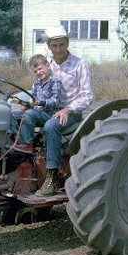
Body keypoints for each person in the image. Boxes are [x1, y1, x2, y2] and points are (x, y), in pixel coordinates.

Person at [35, 25, 94, 196]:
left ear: (67, 43)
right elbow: (38, 87)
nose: (58, 50)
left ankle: (51, 178)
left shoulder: (79, 65)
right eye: (54, 46)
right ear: (49, 46)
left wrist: (68, 109)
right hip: (49, 109)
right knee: (23, 117)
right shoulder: (46, 65)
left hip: (71, 114)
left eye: (62, 45)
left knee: (51, 126)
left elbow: (87, 96)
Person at [10, 54, 62, 154]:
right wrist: (20, 103)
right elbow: (32, 101)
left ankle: (27, 144)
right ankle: (15, 141)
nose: (38, 72)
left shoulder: (55, 81)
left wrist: (39, 103)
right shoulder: (36, 83)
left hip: (51, 115)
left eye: (40, 68)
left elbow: (56, 101)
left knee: (29, 113)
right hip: (38, 114)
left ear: (47, 65)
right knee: (14, 114)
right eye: (35, 71)